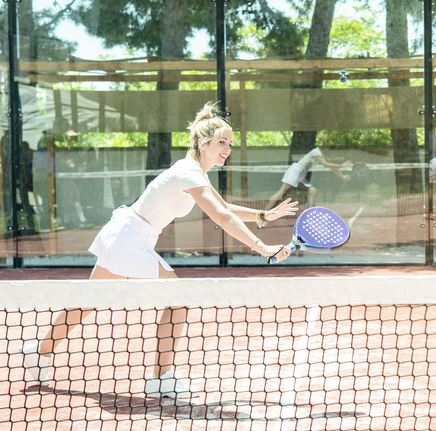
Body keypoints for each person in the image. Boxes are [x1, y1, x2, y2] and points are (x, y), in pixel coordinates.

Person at [21, 102, 298, 399]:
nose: (227, 148)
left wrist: (263, 216)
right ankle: (161, 378)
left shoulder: (193, 172)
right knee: (177, 299)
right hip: (130, 238)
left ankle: (39, 351)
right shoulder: (189, 173)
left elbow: (225, 208)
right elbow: (221, 217)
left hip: (126, 232)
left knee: (89, 301)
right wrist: (262, 247)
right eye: (221, 142)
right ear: (203, 143)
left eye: (230, 143)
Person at [267, 144, 351, 210]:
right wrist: (342, 165)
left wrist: (343, 176)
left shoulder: (321, 155)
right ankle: (262, 216)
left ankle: (309, 215)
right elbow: (326, 164)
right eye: (327, 143)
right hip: (296, 171)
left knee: (313, 192)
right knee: (282, 193)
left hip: (301, 174)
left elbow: (332, 167)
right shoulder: (316, 151)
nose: (329, 145)